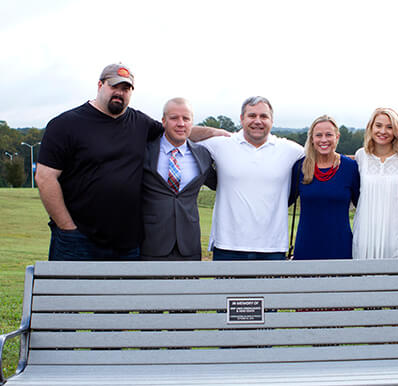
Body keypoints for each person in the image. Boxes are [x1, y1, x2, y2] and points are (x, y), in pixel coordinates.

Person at [36, 63, 222, 261]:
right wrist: (67, 227)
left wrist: (219, 133)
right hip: (77, 239)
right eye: (114, 86)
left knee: (123, 293)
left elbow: (176, 131)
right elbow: (45, 178)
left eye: (125, 88)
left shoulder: (140, 123)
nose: (119, 93)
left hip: (126, 244)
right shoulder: (65, 124)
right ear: (100, 85)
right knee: (73, 292)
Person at [195, 96, 304, 260]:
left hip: (272, 248)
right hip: (228, 246)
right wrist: (215, 132)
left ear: (272, 120)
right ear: (241, 119)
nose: (258, 121)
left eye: (264, 116)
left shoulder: (290, 150)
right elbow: (184, 134)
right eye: (252, 116)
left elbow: (320, 157)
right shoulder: (221, 144)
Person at [140, 98, 216, 261]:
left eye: (186, 118)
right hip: (151, 242)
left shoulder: (203, 155)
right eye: (174, 118)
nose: (181, 123)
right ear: (163, 121)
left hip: (189, 244)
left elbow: (221, 184)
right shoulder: (144, 151)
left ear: (192, 122)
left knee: (188, 287)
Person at [289, 115, 359, 260]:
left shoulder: (350, 167)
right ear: (312, 139)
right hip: (307, 245)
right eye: (318, 135)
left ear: (337, 137)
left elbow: (361, 206)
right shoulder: (300, 167)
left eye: (329, 135)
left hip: (340, 245)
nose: (323, 140)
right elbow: (284, 202)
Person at [352, 107, 398, 259]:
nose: (383, 131)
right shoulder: (361, 155)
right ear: (371, 127)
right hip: (367, 234)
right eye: (379, 125)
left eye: (390, 127)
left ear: (397, 130)